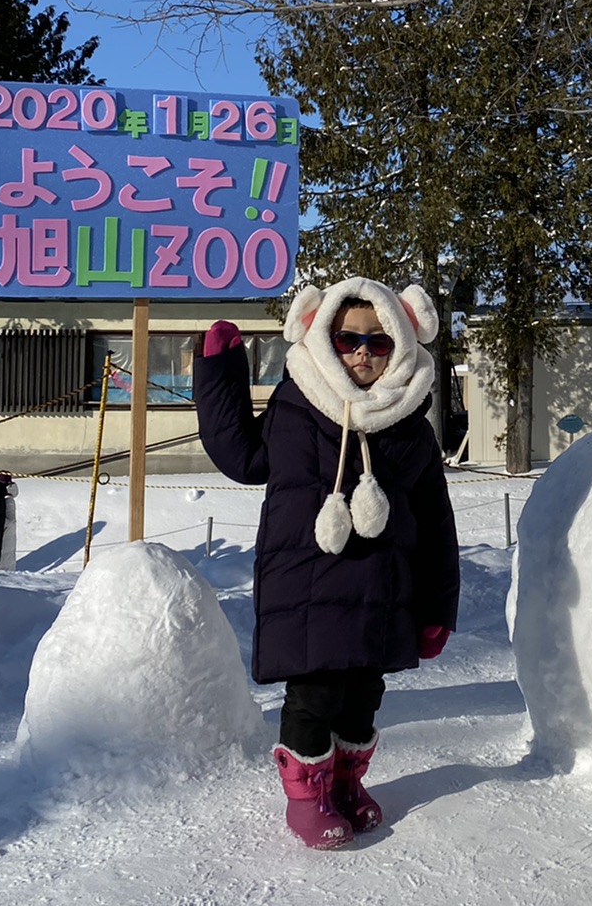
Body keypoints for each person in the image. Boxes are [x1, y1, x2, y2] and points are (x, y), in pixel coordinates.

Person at [195, 277, 460, 850]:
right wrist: (219, 373)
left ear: (403, 343)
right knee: (313, 698)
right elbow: (241, 455)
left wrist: (438, 606)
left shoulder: (410, 425)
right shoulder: (294, 403)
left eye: (379, 341)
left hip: (381, 594)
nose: (362, 351)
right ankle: (307, 797)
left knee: (363, 697)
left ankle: (344, 784)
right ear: (321, 335)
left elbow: (436, 522)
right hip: (306, 589)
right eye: (347, 339)